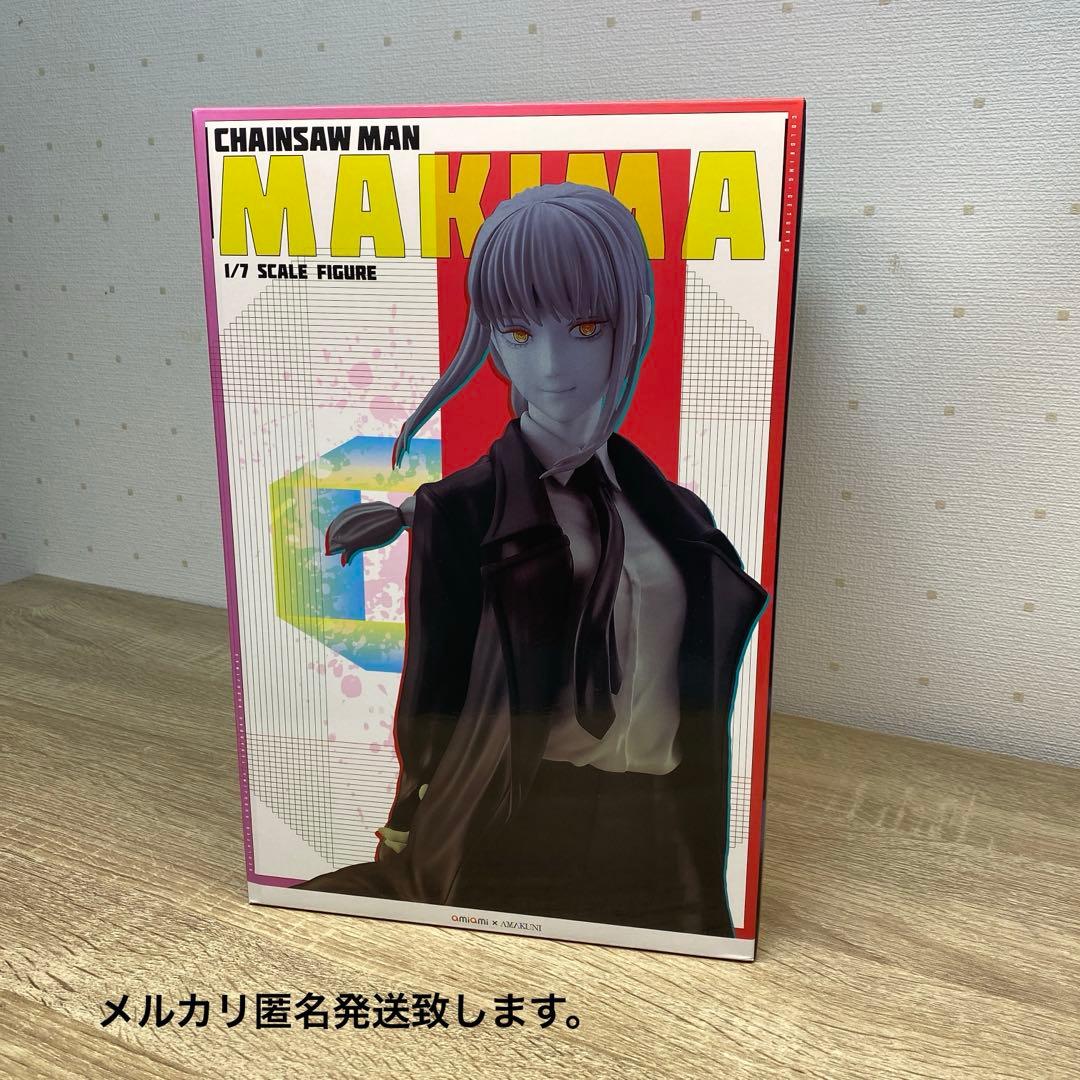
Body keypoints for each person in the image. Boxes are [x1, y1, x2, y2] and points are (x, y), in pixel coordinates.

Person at [293, 183, 769, 937]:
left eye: (585, 327)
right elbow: (433, 694)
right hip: (516, 823)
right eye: (517, 332)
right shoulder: (461, 512)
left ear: (635, 318)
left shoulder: (678, 516)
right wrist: (406, 822)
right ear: (489, 337)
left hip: (667, 834)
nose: (550, 364)